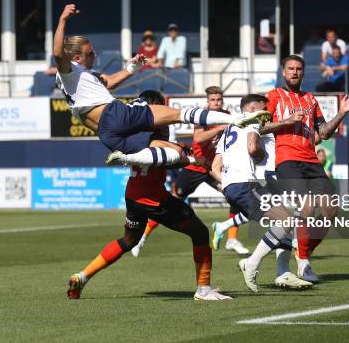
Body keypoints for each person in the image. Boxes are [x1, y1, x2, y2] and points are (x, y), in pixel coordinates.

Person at [53, 4, 270, 169]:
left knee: (176, 153)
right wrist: (63, 19)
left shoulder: (80, 78)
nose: (95, 54)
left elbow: (109, 82)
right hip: (115, 115)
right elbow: (57, 53)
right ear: (76, 57)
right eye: (90, 53)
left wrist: (131, 68)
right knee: (179, 114)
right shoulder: (69, 71)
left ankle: (132, 158)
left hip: (108, 135)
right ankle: (239, 119)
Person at [67, 90, 231, 301]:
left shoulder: (133, 134)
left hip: (134, 194)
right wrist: (189, 160)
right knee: (199, 233)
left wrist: (182, 151)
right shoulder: (153, 134)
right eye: (160, 107)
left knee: (129, 240)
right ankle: (203, 289)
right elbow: (167, 158)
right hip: (152, 197)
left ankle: (82, 276)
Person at [261, 54, 349, 282]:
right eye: (290, 68)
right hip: (287, 159)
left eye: (299, 69)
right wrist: (286, 121)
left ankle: (303, 251)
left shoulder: (311, 100)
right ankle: (303, 265)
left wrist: (341, 113)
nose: (295, 72)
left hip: (311, 160)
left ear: (303, 72)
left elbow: (323, 133)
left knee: (331, 210)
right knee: (306, 207)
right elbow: (260, 127)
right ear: (283, 72)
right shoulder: (273, 96)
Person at [210, 94, 313, 291]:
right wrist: (260, 154)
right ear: (251, 109)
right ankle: (252, 263)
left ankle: (283, 272)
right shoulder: (252, 122)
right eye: (263, 109)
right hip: (247, 183)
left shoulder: (229, 129)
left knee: (286, 219)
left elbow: (215, 166)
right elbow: (253, 147)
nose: (266, 113)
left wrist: (227, 185)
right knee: (287, 220)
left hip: (234, 185)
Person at [132, 86, 238, 257]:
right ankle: (142, 237)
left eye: (219, 99)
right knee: (172, 201)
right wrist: (220, 128)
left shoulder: (227, 116)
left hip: (212, 167)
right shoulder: (203, 116)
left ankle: (232, 238)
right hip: (195, 166)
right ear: (208, 101)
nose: (216, 102)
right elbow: (198, 138)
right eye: (213, 99)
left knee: (234, 192)